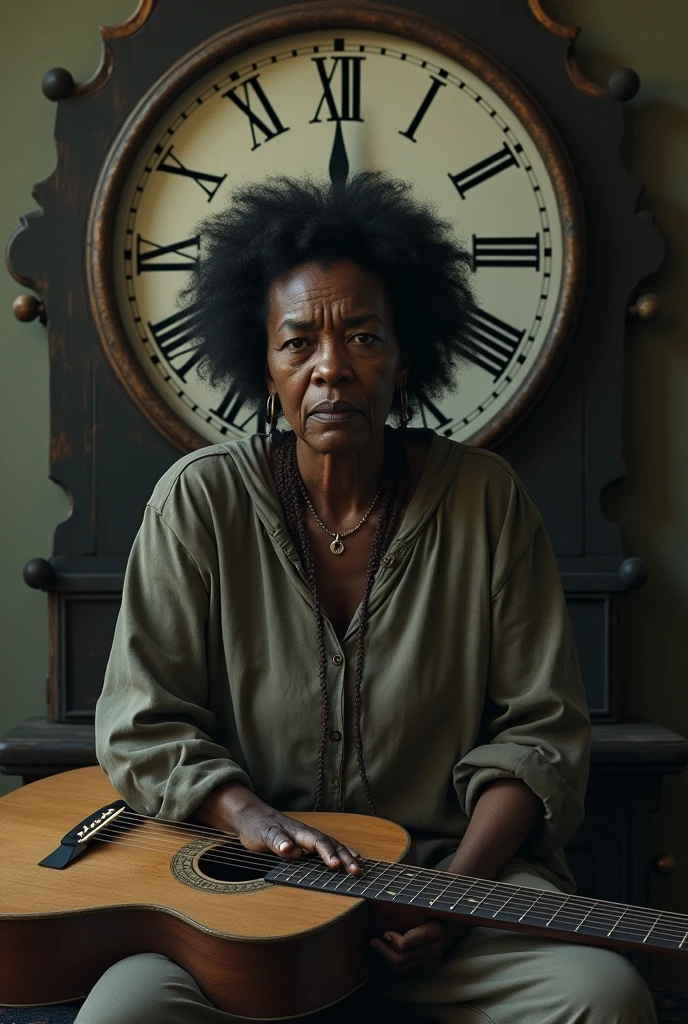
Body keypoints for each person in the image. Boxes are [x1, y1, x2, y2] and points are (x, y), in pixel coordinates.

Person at [83, 174, 656, 1023]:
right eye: (298, 344)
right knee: (123, 1014)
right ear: (263, 363)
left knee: (601, 997)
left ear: (406, 354)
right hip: (247, 894)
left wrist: (453, 897)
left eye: (362, 337)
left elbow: (540, 735)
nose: (331, 369)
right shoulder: (197, 501)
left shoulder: (487, 502)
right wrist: (249, 817)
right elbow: (139, 724)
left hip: (457, 876)